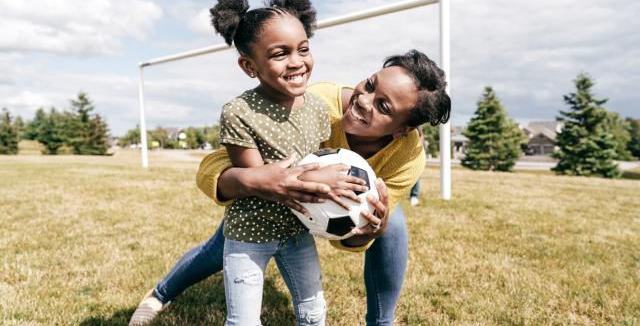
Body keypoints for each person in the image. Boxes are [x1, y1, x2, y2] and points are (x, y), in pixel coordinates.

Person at [130, 48, 450, 325]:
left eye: (384, 107)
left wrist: (369, 231)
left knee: (391, 224)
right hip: (270, 196)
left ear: (403, 129)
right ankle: (160, 294)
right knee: (219, 248)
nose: (364, 101)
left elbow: (347, 240)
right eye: (369, 85)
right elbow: (213, 166)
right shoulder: (314, 102)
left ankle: (381, 322)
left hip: (329, 216)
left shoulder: (408, 156)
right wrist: (263, 180)